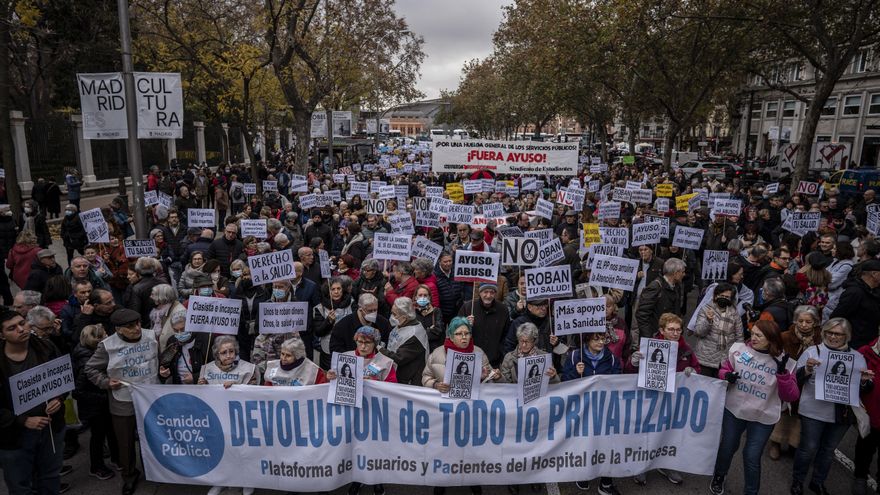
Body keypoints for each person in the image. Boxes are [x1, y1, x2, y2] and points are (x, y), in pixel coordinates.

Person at [85, 308, 169, 495]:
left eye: (138, 323)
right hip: (123, 400)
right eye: (130, 326)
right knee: (125, 442)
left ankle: (156, 470)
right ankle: (129, 476)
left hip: (150, 397)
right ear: (119, 329)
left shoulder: (151, 336)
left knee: (154, 437)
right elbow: (90, 369)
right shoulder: (107, 346)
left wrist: (163, 372)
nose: (137, 328)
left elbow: (158, 361)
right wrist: (105, 382)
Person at [710, 320, 799, 495]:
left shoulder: (785, 362)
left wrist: (783, 375)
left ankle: (751, 491)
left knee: (751, 455)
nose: (753, 338)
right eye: (752, 333)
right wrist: (726, 375)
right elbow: (724, 369)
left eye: (759, 335)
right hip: (734, 410)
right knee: (727, 446)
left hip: (763, 416)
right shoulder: (740, 350)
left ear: (771, 339)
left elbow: (791, 396)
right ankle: (719, 475)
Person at [790, 318, 873, 495]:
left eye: (838, 334)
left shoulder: (857, 358)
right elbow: (794, 380)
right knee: (808, 449)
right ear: (824, 333)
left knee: (828, 451)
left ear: (847, 336)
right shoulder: (812, 352)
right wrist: (807, 369)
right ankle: (798, 481)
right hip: (812, 411)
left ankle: (817, 482)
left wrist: (864, 382)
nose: (833, 337)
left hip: (841, 415)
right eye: (830, 332)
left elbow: (862, 389)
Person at [422, 317, 498, 495]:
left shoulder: (478, 353)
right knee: (444, 450)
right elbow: (425, 377)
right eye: (459, 334)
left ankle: (473, 481)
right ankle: (441, 483)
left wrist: (488, 376)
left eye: (467, 333)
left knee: (470, 450)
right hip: (445, 414)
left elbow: (491, 381)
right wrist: (435, 384)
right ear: (450, 336)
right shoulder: (437, 354)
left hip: (471, 413)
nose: (464, 337)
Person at [0, 308, 67, 495]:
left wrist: (58, 398)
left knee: (50, 477)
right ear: (1, 335)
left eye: (22, 323)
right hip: (14, 438)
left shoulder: (46, 347)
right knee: (20, 485)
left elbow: (63, 378)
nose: (21, 329)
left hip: (51, 428)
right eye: (12, 328)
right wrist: (22, 420)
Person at [627, 313, 698, 486]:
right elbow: (629, 372)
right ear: (662, 330)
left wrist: (693, 372)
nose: (675, 333)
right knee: (647, 433)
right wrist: (634, 362)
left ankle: (667, 465)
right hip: (650, 398)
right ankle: (642, 466)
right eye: (671, 329)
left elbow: (696, 368)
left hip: (673, 400)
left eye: (678, 330)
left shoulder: (686, 349)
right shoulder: (649, 347)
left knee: (671, 433)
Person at [562, 331, 621, 494]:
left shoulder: (612, 359)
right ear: (587, 340)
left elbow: (619, 381)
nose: (601, 342)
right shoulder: (574, 357)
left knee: (606, 445)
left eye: (603, 339)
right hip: (582, 411)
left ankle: (606, 482)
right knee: (585, 444)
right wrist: (575, 372)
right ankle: (584, 473)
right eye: (596, 339)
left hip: (604, 410)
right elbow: (564, 383)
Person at [198, 336, 257, 495]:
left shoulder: (248, 369)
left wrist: (237, 386)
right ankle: (221, 481)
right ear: (217, 355)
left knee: (243, 451)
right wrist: (201, 386)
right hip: (217, 417)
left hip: (241, 418)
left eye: (231, 351)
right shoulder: (207, 369)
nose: (229, 355)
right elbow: (202, 396)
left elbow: (255, 393)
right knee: (220, 451)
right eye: (224, 352)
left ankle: (247, 480)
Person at [769, 305, 823, 460]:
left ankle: (794, 444)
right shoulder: (785, 337)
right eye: (801, 321)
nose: (804, 325)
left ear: (815, 322)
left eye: (808, 322)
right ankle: (775, 442)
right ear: (795, 321)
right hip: (786, 380)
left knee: (800, 414)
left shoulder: (820, 340)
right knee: (783, 411)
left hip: (807, 382)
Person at [71, 324, 118, 481]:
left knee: (110, 431)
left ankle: (116, 459)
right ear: (98, 340)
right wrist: (103, 397)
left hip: (101, 403)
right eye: (105, 334)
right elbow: (78, 391)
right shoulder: (86, 362)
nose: (108, 336)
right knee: (98, 437)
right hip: (95, 407)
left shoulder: (90, 353)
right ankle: (96, 467)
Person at [692, 282, 743, 377]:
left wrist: (737, 357)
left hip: (724, 362)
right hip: (705, 359)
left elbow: (739, 338)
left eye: (727, 297)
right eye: (721, 296)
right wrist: (708, 320)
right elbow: (698, 332)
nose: (724, 298)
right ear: (715, 296)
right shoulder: (706, 310)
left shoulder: (734, 313)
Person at [830, 259, 880, 349]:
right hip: (854, 345)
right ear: (874, 274)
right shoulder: (855, 292)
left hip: (869, 344)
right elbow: (837, 317)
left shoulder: (874, 292)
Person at [634, 257, 685, 342]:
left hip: (670, 336)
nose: (684, 274)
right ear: (675, 273)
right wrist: (649, 338)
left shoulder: (676, 287)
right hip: (656, 337)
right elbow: (642, 314)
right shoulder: (655, 287)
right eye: (682, 272)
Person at [459, 282, 509, 367]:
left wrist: (500, 353)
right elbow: (456, 331)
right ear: (480, 292)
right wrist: (465, 323)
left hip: (494, 360)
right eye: (485, 292)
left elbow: (506, 335)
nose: (488, 296)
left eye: (492, 292)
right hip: (470, 357)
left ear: (495, 294)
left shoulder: (503, 309)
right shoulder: (468, 307)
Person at [381, 297, 429, 385]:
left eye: (394, 314)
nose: (391, 316)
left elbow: (399, 358)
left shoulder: (414, 335)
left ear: (404, 317)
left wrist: (380, 349)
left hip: (408, 381)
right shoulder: (401, 324)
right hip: (395, 373)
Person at [313, 276, 357, 369]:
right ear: (328, 291)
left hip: (348, 347)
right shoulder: (320, 308)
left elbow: (356, 326)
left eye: (338, 288)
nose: (336, 292)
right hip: (328, 350)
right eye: (333, 289)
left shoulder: (352, 303)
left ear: (343, 290)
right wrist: (328, 321)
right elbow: (318, 332)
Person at [856, 331, 880, 494]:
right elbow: (852, 382)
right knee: (865, 448)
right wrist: (863, 383)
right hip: (869, 413)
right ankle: (860, 477)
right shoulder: (864, 352)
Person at [158, 311, 209, 384]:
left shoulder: (205, 339)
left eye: (183, 329)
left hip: (200, 387)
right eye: (176, 330)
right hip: (179, 387)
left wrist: (195, 377)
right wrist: (164, 373)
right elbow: (166, 365)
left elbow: (214, 369)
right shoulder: (172, 341)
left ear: (191, 326)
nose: (180, 333)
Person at [414, 284, 444, 351]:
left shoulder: (436, 311)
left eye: (425, 295)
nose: (423, 297)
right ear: (416, 297)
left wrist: (420, 334)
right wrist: (429, 330)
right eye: (420, 295)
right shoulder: (413, 313)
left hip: (433, 350)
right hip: (418, 350)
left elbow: (438, 332)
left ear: (429, 297)